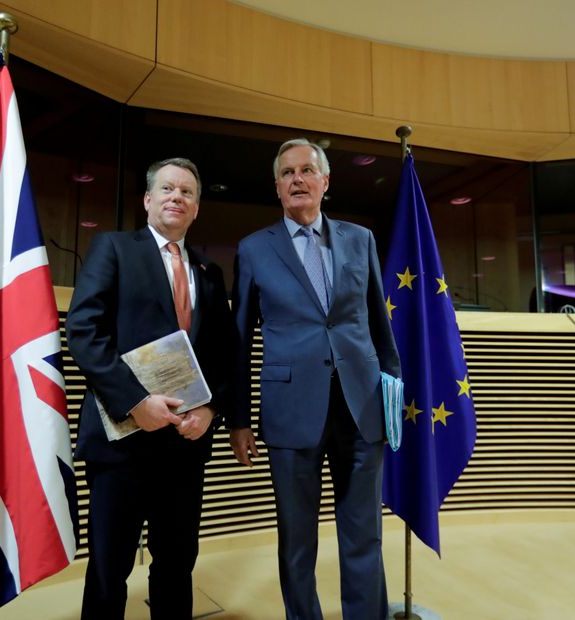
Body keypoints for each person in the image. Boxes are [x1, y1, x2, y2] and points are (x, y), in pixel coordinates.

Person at [229, 138, 401, 620]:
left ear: (326, 182)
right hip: (290, 412)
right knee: (297, 539)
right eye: (287, 173)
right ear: (277, 187)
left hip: (362, 407)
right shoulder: (253, 249)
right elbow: (239, 342)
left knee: (364, 534)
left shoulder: (360, 238)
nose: (297, 180)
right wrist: (238, 419)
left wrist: (392, 395)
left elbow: (376, 325)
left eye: (307, 171)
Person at [65, 158, 234, 620]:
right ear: (147, 199)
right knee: (108, 567)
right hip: (122, 440)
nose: (176, 196)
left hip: (185, 443)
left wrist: (211, 409)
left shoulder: (209, 272)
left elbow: (222, 353)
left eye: (187, 192)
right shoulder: (114, 248)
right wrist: (135, 403)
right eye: (166, 189)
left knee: (178, 564)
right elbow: (84, 332)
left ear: (197, 208)